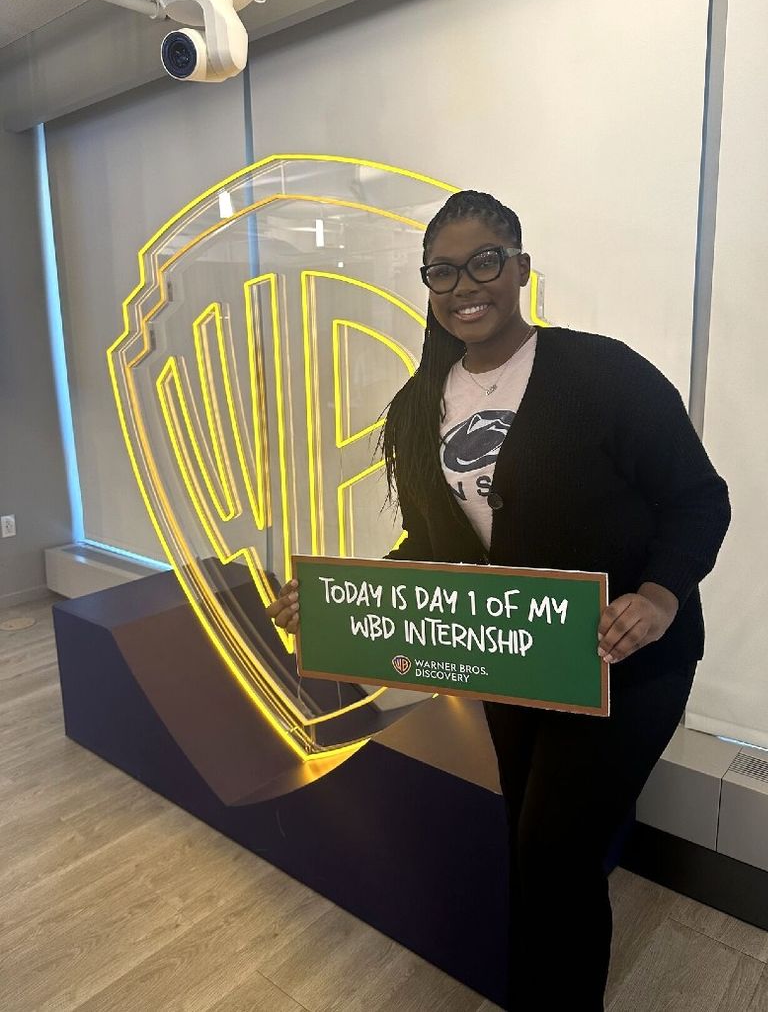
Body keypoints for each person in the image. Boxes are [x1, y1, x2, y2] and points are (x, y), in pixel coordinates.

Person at [268, 191, 731, 1010]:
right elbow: (435, 548)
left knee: (555, 848)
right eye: (441, 271)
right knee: (531, 843)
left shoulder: (602, 371)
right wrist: (339, 600)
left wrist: (659, 594)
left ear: (520, 267)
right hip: (519, 664)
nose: (464, 285)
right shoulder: (422, 405)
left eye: (485, 261)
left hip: (631, 662)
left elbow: (698, 498)